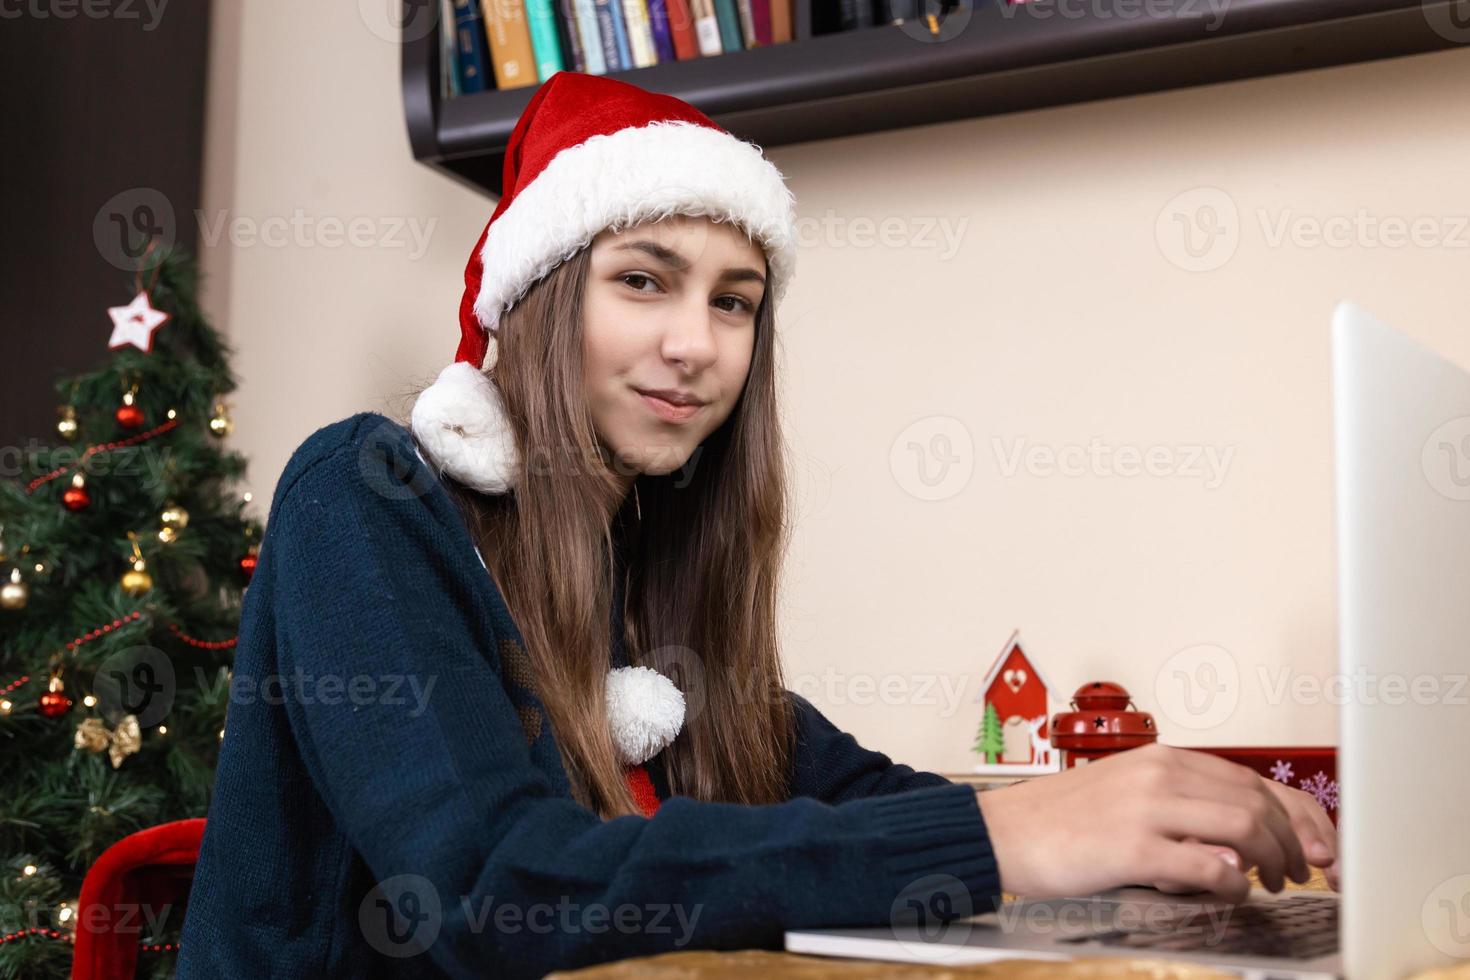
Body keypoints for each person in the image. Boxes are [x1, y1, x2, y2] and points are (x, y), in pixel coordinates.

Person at [176, 71, 1338, 979]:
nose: (700, 342)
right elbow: (493, 888)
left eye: (735, 300)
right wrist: (1018, 842)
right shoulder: (368, 493)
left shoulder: (647, 595)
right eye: (645, 279)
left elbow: (868, 798)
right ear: (539, 297)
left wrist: (1142, 816)